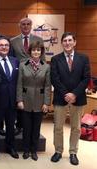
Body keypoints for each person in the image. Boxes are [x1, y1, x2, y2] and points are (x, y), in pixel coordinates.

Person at [50, 32, 91, 166]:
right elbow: (54, 79)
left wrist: (74, 94)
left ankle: (73, 152)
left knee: (76, 127)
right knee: (58, 127)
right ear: (62, 43)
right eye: (64, 41)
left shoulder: (83, 58)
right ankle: (58, 151)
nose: (67, 43)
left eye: (69, 40)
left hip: (78, 99)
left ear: (74, 42)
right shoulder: (56, 59)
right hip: (60, 98)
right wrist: (66, 94)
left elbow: (86, 78)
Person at [16, 41, 51, 161]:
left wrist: (46, 103)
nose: (36, 52)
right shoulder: (22, 65)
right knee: (26, 128)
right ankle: (26, 150)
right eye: (33, 50)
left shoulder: (46, 66)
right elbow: (19, 84)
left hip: (40, 102)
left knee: (36, 129)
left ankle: (33, 150)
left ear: (41, 52)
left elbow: (47, 86)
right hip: (25, 101)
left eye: (38, 50)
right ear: (30, 52)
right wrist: (19, 100)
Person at [11, 17, 44, 134]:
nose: (25, 26)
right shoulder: (13, 41)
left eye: (28, 24)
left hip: (34, 76)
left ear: (31, 26)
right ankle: (19, 125)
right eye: (23, 24)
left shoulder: (38, 39)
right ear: (19, 26)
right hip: (18, 75)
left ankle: (29, 127)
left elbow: (42, 60)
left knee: (31, 99)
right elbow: (11, 59)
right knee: (19, 99)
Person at [0, 37, 19, 160]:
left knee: (10, 125)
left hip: (12, 99)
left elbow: (18, 81)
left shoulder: (15, 61)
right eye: (1, 45)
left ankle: (10, 147)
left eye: (6, 45)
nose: (4, 47)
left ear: (9, 47)